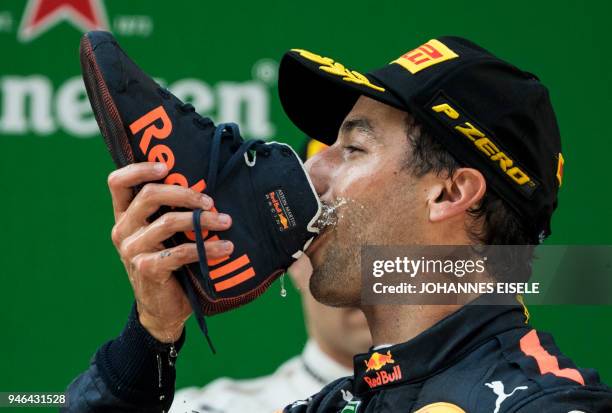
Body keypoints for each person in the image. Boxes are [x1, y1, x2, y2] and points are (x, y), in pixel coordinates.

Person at [65, 36, 612, 412]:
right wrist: (151, 338)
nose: (311, 170)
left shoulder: (543, 402)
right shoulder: (340, 402)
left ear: (449, 192)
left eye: (351, 148)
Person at [170, 251, 371, 412]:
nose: (368, 271)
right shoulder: (218, 408)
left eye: (398, 239)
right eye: (343, 246)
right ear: (295, 261)